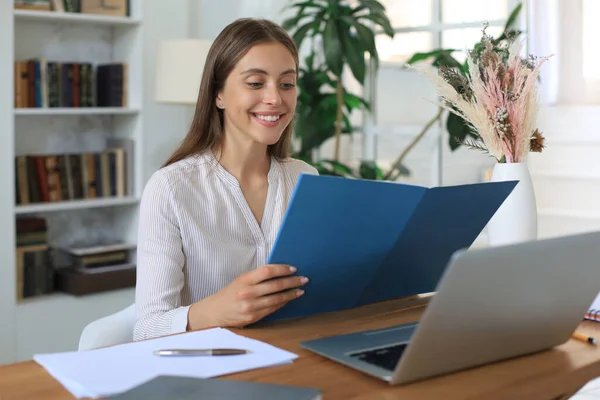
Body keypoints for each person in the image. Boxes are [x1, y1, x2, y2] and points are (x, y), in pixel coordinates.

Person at [133, 18, 317, 341]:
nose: (275, 98)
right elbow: (146, 329)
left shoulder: (306, 179)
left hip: (296, 357)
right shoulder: (171, 190)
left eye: (286, 84)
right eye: (256, 83)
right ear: (218, 94)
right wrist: (216, 311)